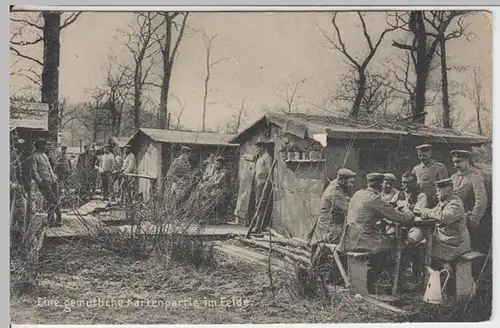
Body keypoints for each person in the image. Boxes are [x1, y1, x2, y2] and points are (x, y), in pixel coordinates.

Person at [337, 172, 416, 292]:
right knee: (397, 243)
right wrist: (408, 211)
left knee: (385, 240)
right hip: (364, 240)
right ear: (380, 186)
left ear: (368, 183)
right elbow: (402, 218)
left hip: (349, 238)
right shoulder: (375, 199)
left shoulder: (358, 194)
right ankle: (394, 282)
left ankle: (378, 278)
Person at [414, 178, 471, 270]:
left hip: (455, 243)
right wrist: (423, 211)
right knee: (420, 247)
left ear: (446, 192)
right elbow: (434, 211)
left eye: (438, 191)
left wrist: (427, 212)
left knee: (429, 252)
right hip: (446, 239)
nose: (436, 193)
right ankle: (429, 276)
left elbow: (444, 217)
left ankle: (446, 275)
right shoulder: (444, 202)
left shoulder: (455, 204)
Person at [449, 149, 488, 250]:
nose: (456, 165)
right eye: (454, 162)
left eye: (459, 161)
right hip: (456, 221)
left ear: (467, 161)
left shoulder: (475, 177)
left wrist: (474, 220)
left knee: (471, 250)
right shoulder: (453, 177)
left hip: (469, 220)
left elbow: (481, 201)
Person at [311, 168, 356, 244]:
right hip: (328, 230)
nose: (352, 185)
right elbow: (349, 210)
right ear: (343, 181)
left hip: (334, 226)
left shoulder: (338, 184)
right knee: (357, 237)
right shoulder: (334, 193)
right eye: (350, 182)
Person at [32, 138, 62, 227]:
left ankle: (50, 220)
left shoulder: (44, 155)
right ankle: (59, 218)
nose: (45, 147)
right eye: (44, 145)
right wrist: (40, 181)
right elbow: (34, 171)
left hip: (52, 181)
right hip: (44, 182)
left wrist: (54, 178)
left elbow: (49, 168)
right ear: (39, 145)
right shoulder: (34, 156)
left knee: (52, 201)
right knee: (53, 200)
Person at [192, 156, 231, 225]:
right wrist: (205, 184)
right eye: (215, 163)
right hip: (217, 190)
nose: (215, 165)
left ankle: (207, 218)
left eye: (217, 164)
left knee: (209, 199)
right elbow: (212, 180)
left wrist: (208, 186)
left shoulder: (224, 172)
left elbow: (218, 182)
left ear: (221, 164)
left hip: (223, 191)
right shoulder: (217, 171)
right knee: (201, 195)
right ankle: (201, 216)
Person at [412, 144, 448, 208]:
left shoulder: (439, 168)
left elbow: (445, 186)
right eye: (419, 155)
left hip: (436, 202)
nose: (422, 158)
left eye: (424, 155)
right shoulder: (416, 169)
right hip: (421, 202)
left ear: (430, 154)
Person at [251, 137, 274, 233]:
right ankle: (258, 225)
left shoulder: (267, 157)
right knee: (257, 204)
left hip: (264, 183)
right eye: (256, 147)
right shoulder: (259, 158)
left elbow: (269, 172)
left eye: (259, 147)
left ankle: (259, 226)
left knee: (261, 204)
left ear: (263, 147)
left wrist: (269, 184)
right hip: (258, 183)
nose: (257, 149)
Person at [165, 145, 193, 214]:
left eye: (189, 155)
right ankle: (173, 213)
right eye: (187, 155)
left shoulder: (187, 163)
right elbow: (169, 175)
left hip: (185, 185)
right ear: (183, 154)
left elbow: (188, 173)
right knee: (178, 198)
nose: (188, 157)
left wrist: (189, 178)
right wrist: (179, 181)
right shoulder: (176, 162)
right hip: (176, 185)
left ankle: (181, 214)